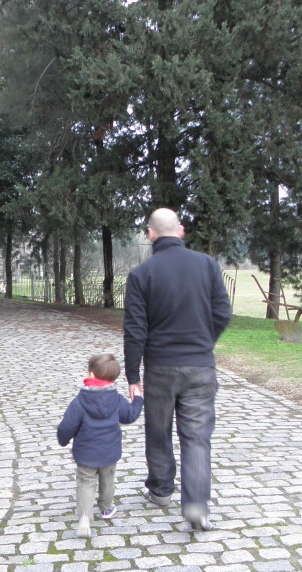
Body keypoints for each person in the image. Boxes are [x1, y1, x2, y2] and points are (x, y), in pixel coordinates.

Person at [123, 208, 232, 531]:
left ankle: (160, 491)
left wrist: (132, 376)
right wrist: (203, 342)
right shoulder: (207, 265)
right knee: (197, 437)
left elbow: (135, 330)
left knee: (158, 431)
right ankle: (196, 504)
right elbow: (223, 312)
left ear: (150, 234)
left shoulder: (142, 275)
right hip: (200, 366)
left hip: (159, 368)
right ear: (181, 231)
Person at [57, 353, 144, 538]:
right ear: (114, 378)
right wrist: (138, 399)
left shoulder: (80, 400)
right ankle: (106, 508)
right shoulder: (117, 399)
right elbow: (129, 416)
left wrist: (62, 439)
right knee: (108, 480)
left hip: (86, 453)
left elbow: (67, 425)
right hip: (110, 452)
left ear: (91, 373)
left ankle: (85, 518)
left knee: (86, 482)